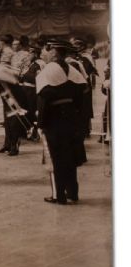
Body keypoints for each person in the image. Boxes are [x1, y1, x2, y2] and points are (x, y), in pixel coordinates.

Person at [36, 39, 86, 204]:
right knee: (69, 156)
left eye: (48, 50)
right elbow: (82, 93)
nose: (46, 53)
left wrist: (41, 123)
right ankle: (72, 192)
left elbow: (43, 97)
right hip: (71, 118)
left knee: (56, 157)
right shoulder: (72, 69)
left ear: (55, 52)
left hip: (54, 119)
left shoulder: (48, 70)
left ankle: (59, 196)